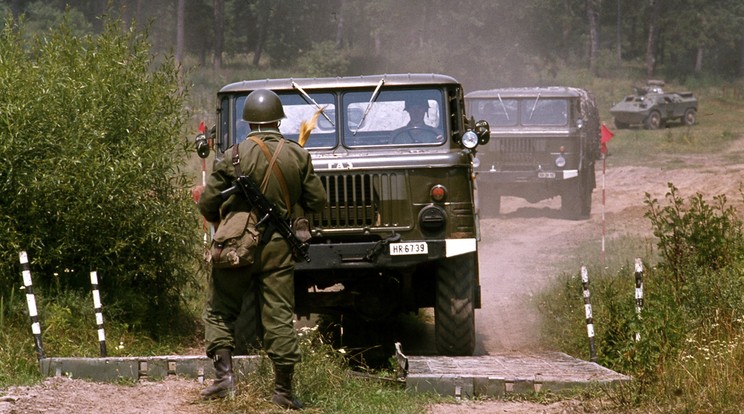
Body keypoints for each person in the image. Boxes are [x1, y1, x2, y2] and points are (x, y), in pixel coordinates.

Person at [196, 89, 327, 409]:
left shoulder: (233, 155)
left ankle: (224, 379)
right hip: (279, 248)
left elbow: (209, 202)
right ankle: (282, 392)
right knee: (279, 317)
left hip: (235, 247)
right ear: (279, 120)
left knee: (220, 310)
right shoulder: (297, 154)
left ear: (248, 122)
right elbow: (317, 202)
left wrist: (225, 223)